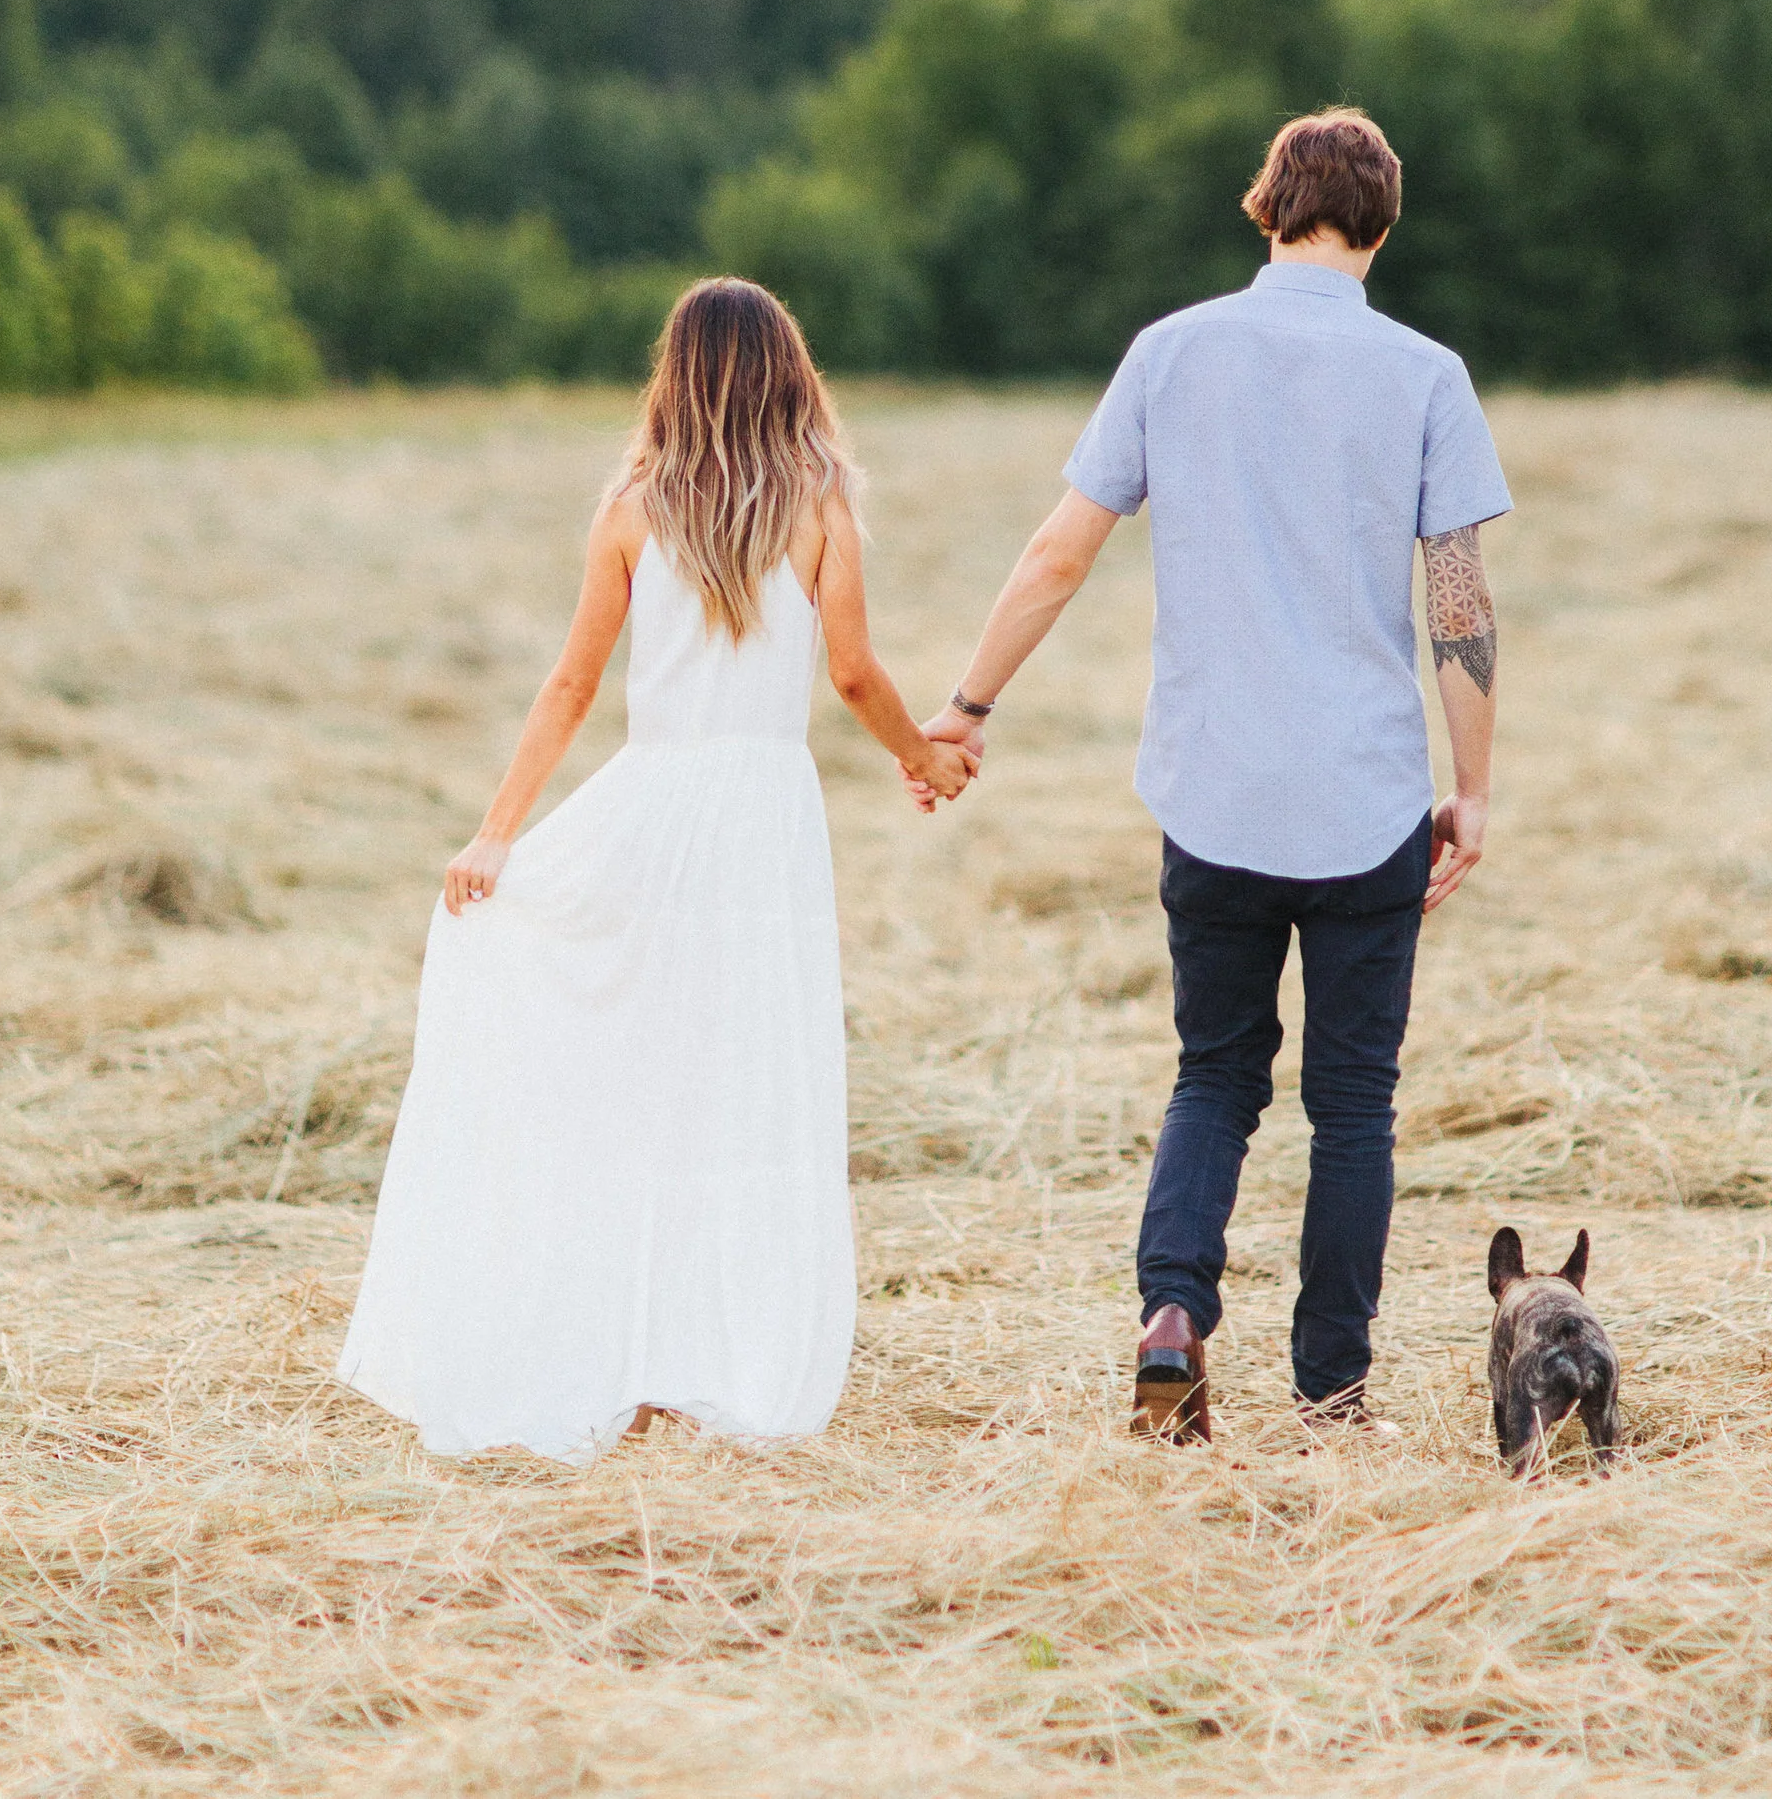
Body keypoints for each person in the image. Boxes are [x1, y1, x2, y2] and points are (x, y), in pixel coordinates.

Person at [920, 107, 1507, 1439]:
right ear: (1381, 224)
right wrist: (1470, 786)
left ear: (1266, 206)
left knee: (1214, 1075)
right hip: (1364, 800)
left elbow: (1060, 549)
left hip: (1213, 790)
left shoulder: (1169, 353)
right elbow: (1461, 601)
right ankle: (1331, 1387)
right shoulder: (1424, 374)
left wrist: (967, 702)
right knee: (1353, 1103)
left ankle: (1173, 1312)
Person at [337, 277, 973, 1459]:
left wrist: (499, 832)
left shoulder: (633, 507)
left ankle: (638, 1362)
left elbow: (571, 685)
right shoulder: (823, 498)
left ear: (671, 375)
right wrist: (920, 756)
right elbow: (852, 671)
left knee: (639, 1076)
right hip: (762, 818)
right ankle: (703, 1358)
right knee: (743, 1083)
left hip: (655, 803)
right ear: (790, 367)